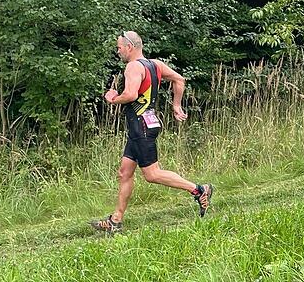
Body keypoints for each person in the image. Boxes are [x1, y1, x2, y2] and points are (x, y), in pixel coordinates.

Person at [90, 31, 213, 233]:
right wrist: (176, 105)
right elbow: (179, 79)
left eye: (119, 47)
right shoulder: (154, 64)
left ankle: (199, 190)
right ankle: (115, 220)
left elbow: (130, 95)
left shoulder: (132, 67)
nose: (118, 51)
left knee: (152, 174)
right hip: (145, 124)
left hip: (141, 127)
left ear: (129, 47)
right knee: (125, 172)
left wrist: (112, 98)